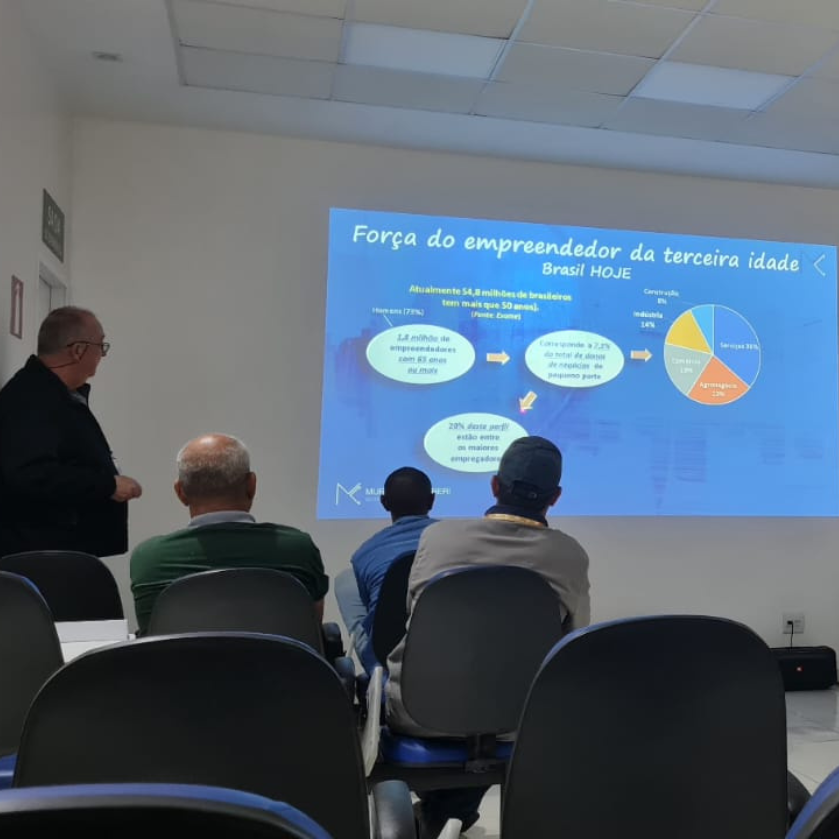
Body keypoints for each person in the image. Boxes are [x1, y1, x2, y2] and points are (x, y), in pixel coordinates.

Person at [386, 435, 591, 837]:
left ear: (495, 485)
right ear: (556, 497)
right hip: (517, 719)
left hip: (418, 712)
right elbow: (573, 642)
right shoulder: (569, 555)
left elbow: (417, 619)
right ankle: (448, 816)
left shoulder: (439, 538)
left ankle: (442, 816)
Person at [130, 433, 328, 634]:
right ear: (251, 485)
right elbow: (312, 633)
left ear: (180, 492)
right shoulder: (298, 549)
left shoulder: (149, 559)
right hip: (279, 657)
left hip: (183, 657)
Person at [0, 306, 142, 559]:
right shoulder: (32, 399)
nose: (102, 355)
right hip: (39, 555)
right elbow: (30, 473)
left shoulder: (51, 394)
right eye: (101, 346)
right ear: (78, 350)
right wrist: (107, 485)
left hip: (57, 551)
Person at [335, 467, 437, 674]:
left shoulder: (364, 554)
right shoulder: (455, 542)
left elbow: (377, 610)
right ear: (432, 500)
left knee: (345, 581)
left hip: (388, 660)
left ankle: (375, 676)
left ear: (383, 502)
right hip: (451, 647)